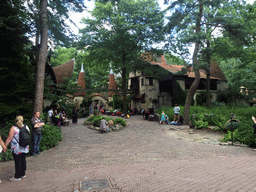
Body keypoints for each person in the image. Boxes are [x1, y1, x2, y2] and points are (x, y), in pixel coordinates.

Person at [5, 116, 30, 181]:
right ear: (23, 120)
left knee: (17, 161)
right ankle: (22, 174)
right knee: (23, 160)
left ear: (15, 120)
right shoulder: (26, 127)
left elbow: (9, 138)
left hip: (17, 148)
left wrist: (4, 146)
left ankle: (17, 176)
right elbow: (28, 135)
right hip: (24, 146)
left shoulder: (13, 128)